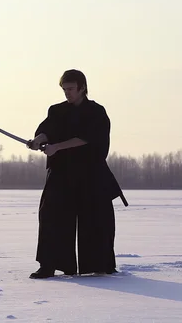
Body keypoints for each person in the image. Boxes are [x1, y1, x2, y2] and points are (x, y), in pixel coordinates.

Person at [27, 69, 128, 279]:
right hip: (61, 173)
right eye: (64, 89)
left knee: (96, 219)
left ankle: (100, 264)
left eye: (71, 89)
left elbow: (87, 138)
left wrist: (57, 147)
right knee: (51, 217)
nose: (67, 93)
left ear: (82, 88)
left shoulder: (96, 112)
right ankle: (49, 265)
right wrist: (38, 140)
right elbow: (48, 130)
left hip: (91, 173)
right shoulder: (56, 111)